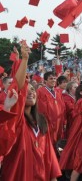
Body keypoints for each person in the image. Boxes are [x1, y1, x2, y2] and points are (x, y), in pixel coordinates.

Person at [1, 42, 61, 181]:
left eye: (33, 90)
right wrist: (24, 59)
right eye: (26, 91)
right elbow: (19, 88)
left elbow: (49, 155)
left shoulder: (40, 121)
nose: (30, 93)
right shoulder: (18, 120)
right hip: (20, 175)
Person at [37, 71, 66, 144]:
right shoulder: (40, 91)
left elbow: (63, 107)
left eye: (54, 78)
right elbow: (41, 109)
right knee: (49, 142)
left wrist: (64, 121)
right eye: (51, 78)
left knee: (58, 142)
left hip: (59, 122)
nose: (53, 80)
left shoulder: (58, 91)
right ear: (45, 80)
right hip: (48, 123)